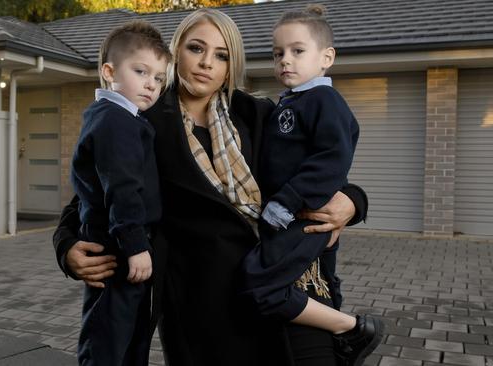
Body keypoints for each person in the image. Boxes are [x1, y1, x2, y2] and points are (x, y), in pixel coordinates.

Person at [54, 8, 369, 366]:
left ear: (230, 65)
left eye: (221, 55)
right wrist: (66, 247)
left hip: (282, 280)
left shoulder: (258, 114)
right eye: (196, 49)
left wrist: (353, 202)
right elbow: (90, 192)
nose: (207, 63)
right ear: (176, 52)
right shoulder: (141, 119)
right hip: (199, 305)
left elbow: (324, 162)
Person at [241, 5, 383, 366]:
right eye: (277, 54)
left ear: (326, 58)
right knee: (324, 276)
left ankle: (354, 329)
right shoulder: (289, 103)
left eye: (297, 51)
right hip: (289, 217)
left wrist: (287, 200)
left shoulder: (324, 100)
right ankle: (343, 332)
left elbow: (332, 158)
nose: (284, 61)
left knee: (262, 285)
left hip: (299, 215)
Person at [68, 20, 171, 366]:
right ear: (110, 71)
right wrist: (136, 244)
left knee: (130, 338)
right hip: (117, 252)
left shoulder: (118, 116)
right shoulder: (116, 120)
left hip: (125, 248)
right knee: (109, 341)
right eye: (141, 71)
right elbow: (122, 186)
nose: (151, 84)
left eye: (158, 77)